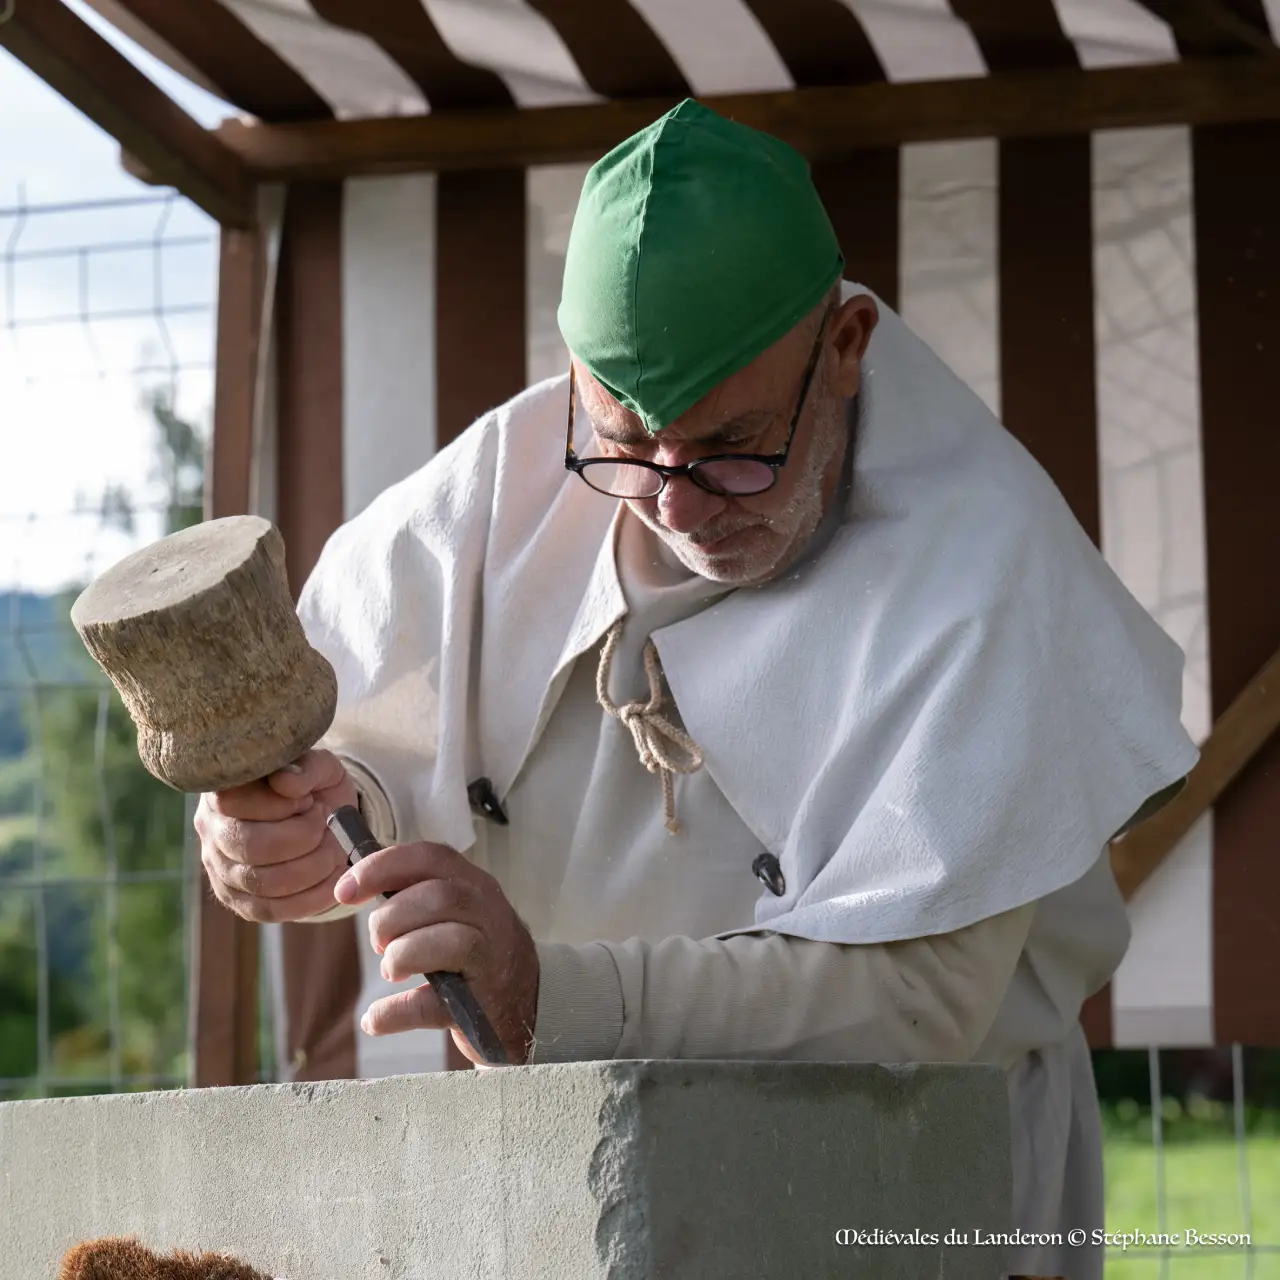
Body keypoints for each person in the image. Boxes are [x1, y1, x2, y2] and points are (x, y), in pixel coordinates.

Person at [195, 99, 1197, 1278]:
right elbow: (362, 760)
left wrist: (546, 1000)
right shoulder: (490, 491)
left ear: (844, 346)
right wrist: (284, 841)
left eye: (731, 446)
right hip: (579, 1160)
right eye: (622, 444)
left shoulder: (984, 569)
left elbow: (911, 998)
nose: (671, 505)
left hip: (912, 1180)